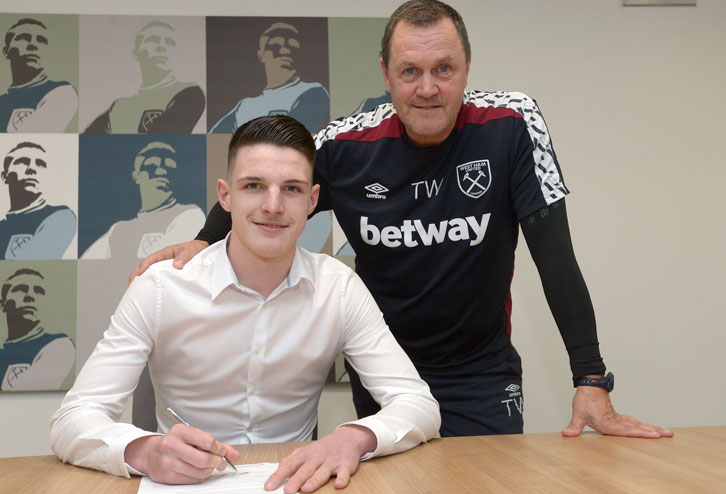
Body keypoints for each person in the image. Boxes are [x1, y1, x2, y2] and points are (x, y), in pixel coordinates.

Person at [134, 0, 672, 440]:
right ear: (386, 77)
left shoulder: (511, 124)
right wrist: (205, 239)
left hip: (480, 373)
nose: (427, 88)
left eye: (444, 69)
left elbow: (555, 259)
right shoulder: (348, 145)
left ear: (466, 68)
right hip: (384, 371)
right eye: (409, 72)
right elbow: (270, 179)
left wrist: (591, 378)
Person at [52, 115, 439, 494]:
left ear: (312, 200)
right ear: (225, 196)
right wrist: (145, 451)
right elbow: (72, 419)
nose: (273, 205)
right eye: (254, 185)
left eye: (291, 189)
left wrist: (355, 436)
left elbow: (418, 405)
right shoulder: (160, 286)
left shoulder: (339, 288)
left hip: (295, 486)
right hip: (182, 487)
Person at [81, 140, 205, 259]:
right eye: (152, 165)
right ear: (136, 176)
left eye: (169, 166)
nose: (161, 171)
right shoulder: (118, 230)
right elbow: (86, 264)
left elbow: (162, 265)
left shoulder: (190, 214)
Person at [85, 20, 204, 133]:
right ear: (136, 53)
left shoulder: (189, 93)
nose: (162, 47)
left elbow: (160, 142)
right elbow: (85, 144)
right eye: (153, 40)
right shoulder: (119, 107)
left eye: (169, 42)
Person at [211, 22, 329, 134]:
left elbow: (291, 140)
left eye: (293, 45)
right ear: (261, 55)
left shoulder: (314, 92)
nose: (285, 51)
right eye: (275, 45)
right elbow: (213, 139)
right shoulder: (245, 106)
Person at [0, 268, 75, 391]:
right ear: (3, 303)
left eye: (38, 291)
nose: (30, 296)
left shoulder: (59, 345)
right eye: (20, 289)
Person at [0, 141, 76, 259]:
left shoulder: (62, 217)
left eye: (40, 164)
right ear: (5, 176)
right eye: (22, 162)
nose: (32, 169)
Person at [0, 18, 77, 133]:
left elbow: (30, 142)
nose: (33, 45)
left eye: (41, 40)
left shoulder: (62, 92)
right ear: (6, 51)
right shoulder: (3, 100)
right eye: (23, 38)